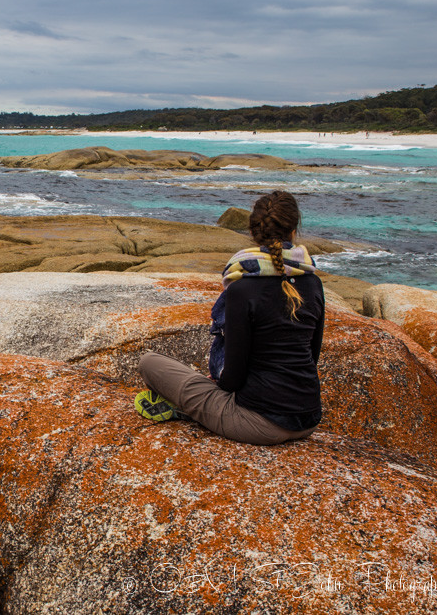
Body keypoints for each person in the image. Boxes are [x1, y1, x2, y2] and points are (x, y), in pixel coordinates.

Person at [134, 190, 325, 445]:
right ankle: (193, 408)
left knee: (150, 363)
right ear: (293, 231)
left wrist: (217, 381)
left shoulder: (242, 289)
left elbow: (232, 380)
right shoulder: (313, 282)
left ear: (253, 233)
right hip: (308, 419)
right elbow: (312, 356)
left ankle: (186, 409)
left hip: (258, 424)